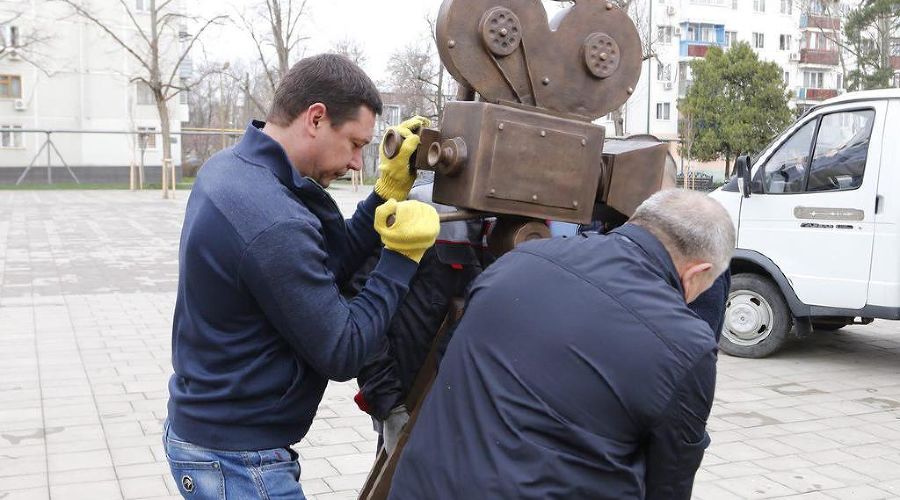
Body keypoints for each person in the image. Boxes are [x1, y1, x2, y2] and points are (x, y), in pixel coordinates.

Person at [163, 54, 440, 500]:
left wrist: (382, 197)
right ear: (315, 118)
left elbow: (319, 270)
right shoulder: (273, 219)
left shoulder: (231, 170)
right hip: (236, 459)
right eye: (353, 143)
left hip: (210, 434)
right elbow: (343, 349)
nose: (355, 162)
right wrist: (401, 257)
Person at [390, 188, 736, 500]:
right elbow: (669, 484)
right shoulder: (686, 344)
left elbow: (447, 357)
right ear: (696, 272)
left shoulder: (518, 261)